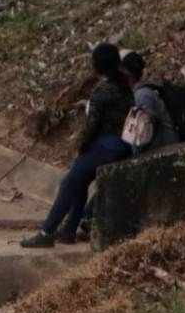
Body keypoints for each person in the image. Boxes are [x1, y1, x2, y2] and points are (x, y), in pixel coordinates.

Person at [23, 44, 137, 248]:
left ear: (96, 66)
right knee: (81, 183)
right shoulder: (125, 87)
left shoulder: (102, 91)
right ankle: (68, 231)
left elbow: (91, 126)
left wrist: (82, 147)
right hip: (123, 146)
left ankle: (46, 232)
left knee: (69, 183)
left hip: (104, 147)